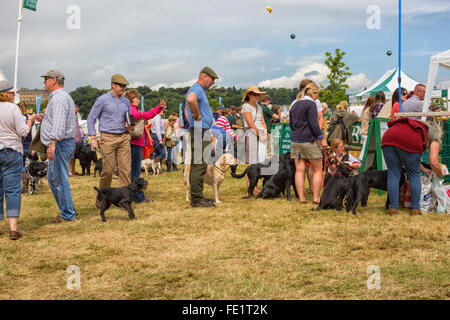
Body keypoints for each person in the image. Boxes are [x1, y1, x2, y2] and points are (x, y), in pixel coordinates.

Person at [382, 117, 443, 216]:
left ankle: (393, 208)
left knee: (393, 174)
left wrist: (423, 169)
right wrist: (441, 173)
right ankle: (415, 209)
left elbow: (410, 158)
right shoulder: (435, 135)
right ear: (437, 130)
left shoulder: (417, 124)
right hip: (409, 140)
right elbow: (433, 161)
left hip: (388, 137)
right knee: (414, 175)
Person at [0, 78, 37, 239]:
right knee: (12, 190)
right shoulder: (13, 109)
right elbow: (23, 131)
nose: (14, 95)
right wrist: (30, 120)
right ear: (6, 94)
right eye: (12, 93)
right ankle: (13, 229)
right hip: (12, 151)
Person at [39, 69, 77, 223]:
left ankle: (68, 213)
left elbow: (60, 124)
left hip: (60, 143)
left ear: (53, 80)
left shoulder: (59, 98)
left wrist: (53, 142)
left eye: (46, 79)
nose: (44, 82)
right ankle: (67, 209)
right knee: (55, 179)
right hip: (62, 142)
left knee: (59, 180)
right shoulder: (61, 97)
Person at [87, 74, 134, 194]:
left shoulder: (126, 102)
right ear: (113, 85)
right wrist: (92, 137)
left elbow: (129, 119)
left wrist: (130, 126)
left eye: (125, 86)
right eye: (121, 86)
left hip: (124, 136)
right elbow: (91, 118)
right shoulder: (102, 100)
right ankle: (102, 196)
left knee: (125, 170)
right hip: (107, 137)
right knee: (108, 170)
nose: (124, 88)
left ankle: (124, 198)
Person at [185, 66, 219, 208]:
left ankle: (198, 196)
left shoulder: (197, 89)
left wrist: (193, 121)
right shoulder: (197, 88)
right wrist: (198, 116)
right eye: (212, 80)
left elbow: (187, 111)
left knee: (199, 164)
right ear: (204, 76)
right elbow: (191, 100)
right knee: (199, 164)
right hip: (200, 130)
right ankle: (197, 199)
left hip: (199, 129)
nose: (213, 83)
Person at [289, 81, 326, 205]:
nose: (317, 97)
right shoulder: (311, 104)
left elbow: (290, 124)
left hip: (295, 140)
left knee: (299, 170)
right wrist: (321, 137)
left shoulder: (294, 103)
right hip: (309, 140)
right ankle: (316, 198)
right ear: (314, 93)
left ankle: (302, 198)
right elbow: (314, 124)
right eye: (317, 94)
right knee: (317, 169)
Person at [125, 89, 164, 202]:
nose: (138, 100)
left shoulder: (132, 109)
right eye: (137, 98)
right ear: (132, 99)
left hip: (135, 143)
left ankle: (132, 196)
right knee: (135, 172)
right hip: (134, 143)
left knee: (133, 171)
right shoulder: (132, 110)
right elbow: (146, 115)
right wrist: (158, 108)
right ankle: (138, 197)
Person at [242, 86, 267, 165]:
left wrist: (265, 134)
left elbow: (263, 121)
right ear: (249, 95)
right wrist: (260, 135)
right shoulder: (246, 106)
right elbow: (250, 124)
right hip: (252, 134)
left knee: (261, 160)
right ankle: (249, 177)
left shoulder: (259, 107)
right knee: (252, 161)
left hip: (262, 134)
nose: (257, 96)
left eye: (258, 95)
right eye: (254, 94)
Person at [69, 105, 85, 176]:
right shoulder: (69, 118)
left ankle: (73, 170)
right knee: (70, 157)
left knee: (74, 157)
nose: (76, 112)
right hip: (72, 139)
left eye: (77, 111)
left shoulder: (76, 118)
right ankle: (69, 171)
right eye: (75, 111)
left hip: (77, 140)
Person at [358, 96, 375, 161]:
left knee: (364, 148)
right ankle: (360, 162)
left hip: (362, 131)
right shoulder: (370, 110)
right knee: (364, 150)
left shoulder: (364, 109)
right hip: (366, 131)